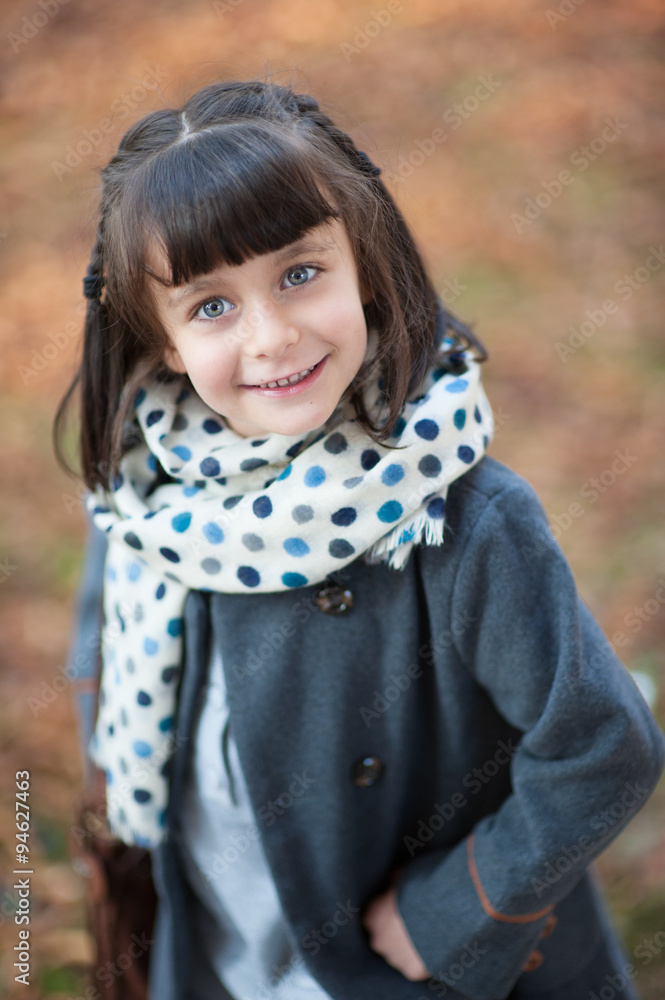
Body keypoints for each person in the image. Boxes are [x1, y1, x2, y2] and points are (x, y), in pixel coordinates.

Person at [56, 78, 665, 1000]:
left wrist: (455, 910)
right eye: (210, 306)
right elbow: (96, 654)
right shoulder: (149, 495)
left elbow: (601, 743)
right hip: (214, 952)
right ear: (166, 342)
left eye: (300, 274)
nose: (270, 336)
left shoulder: (466, 524)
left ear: (367, 267)